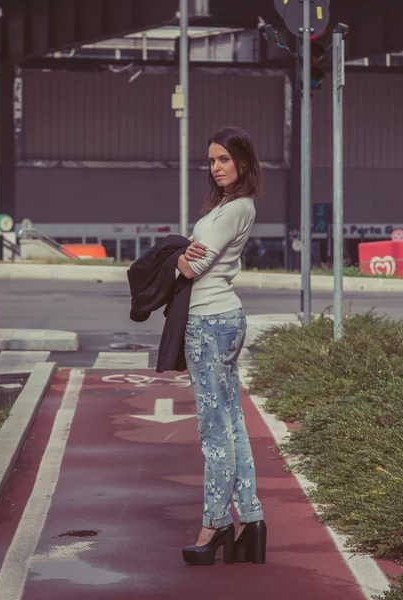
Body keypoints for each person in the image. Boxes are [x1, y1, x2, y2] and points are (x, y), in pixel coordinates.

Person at [177, 126, 267, 566]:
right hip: (223, 320)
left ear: (243, 163)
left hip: (209, 322)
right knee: (231, 423)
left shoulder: (235, 210)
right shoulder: (233, 206)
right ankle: (251, 520)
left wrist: (176, 258)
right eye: (211, 160)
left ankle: (214, 525)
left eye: (224, 160)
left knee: (215, 432)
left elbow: (194, 267)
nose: (215, 168)